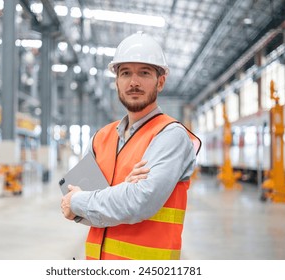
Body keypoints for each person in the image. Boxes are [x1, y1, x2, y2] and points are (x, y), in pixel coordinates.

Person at [61, 31, 201, 260]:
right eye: (125, 73)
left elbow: (138, 203)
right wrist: (122, 191)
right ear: (116, 81)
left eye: (144, 73)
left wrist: (82, 201)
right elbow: (71, 208)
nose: (133, 82)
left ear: (161, 81)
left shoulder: (170, 135)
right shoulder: (101, 137)